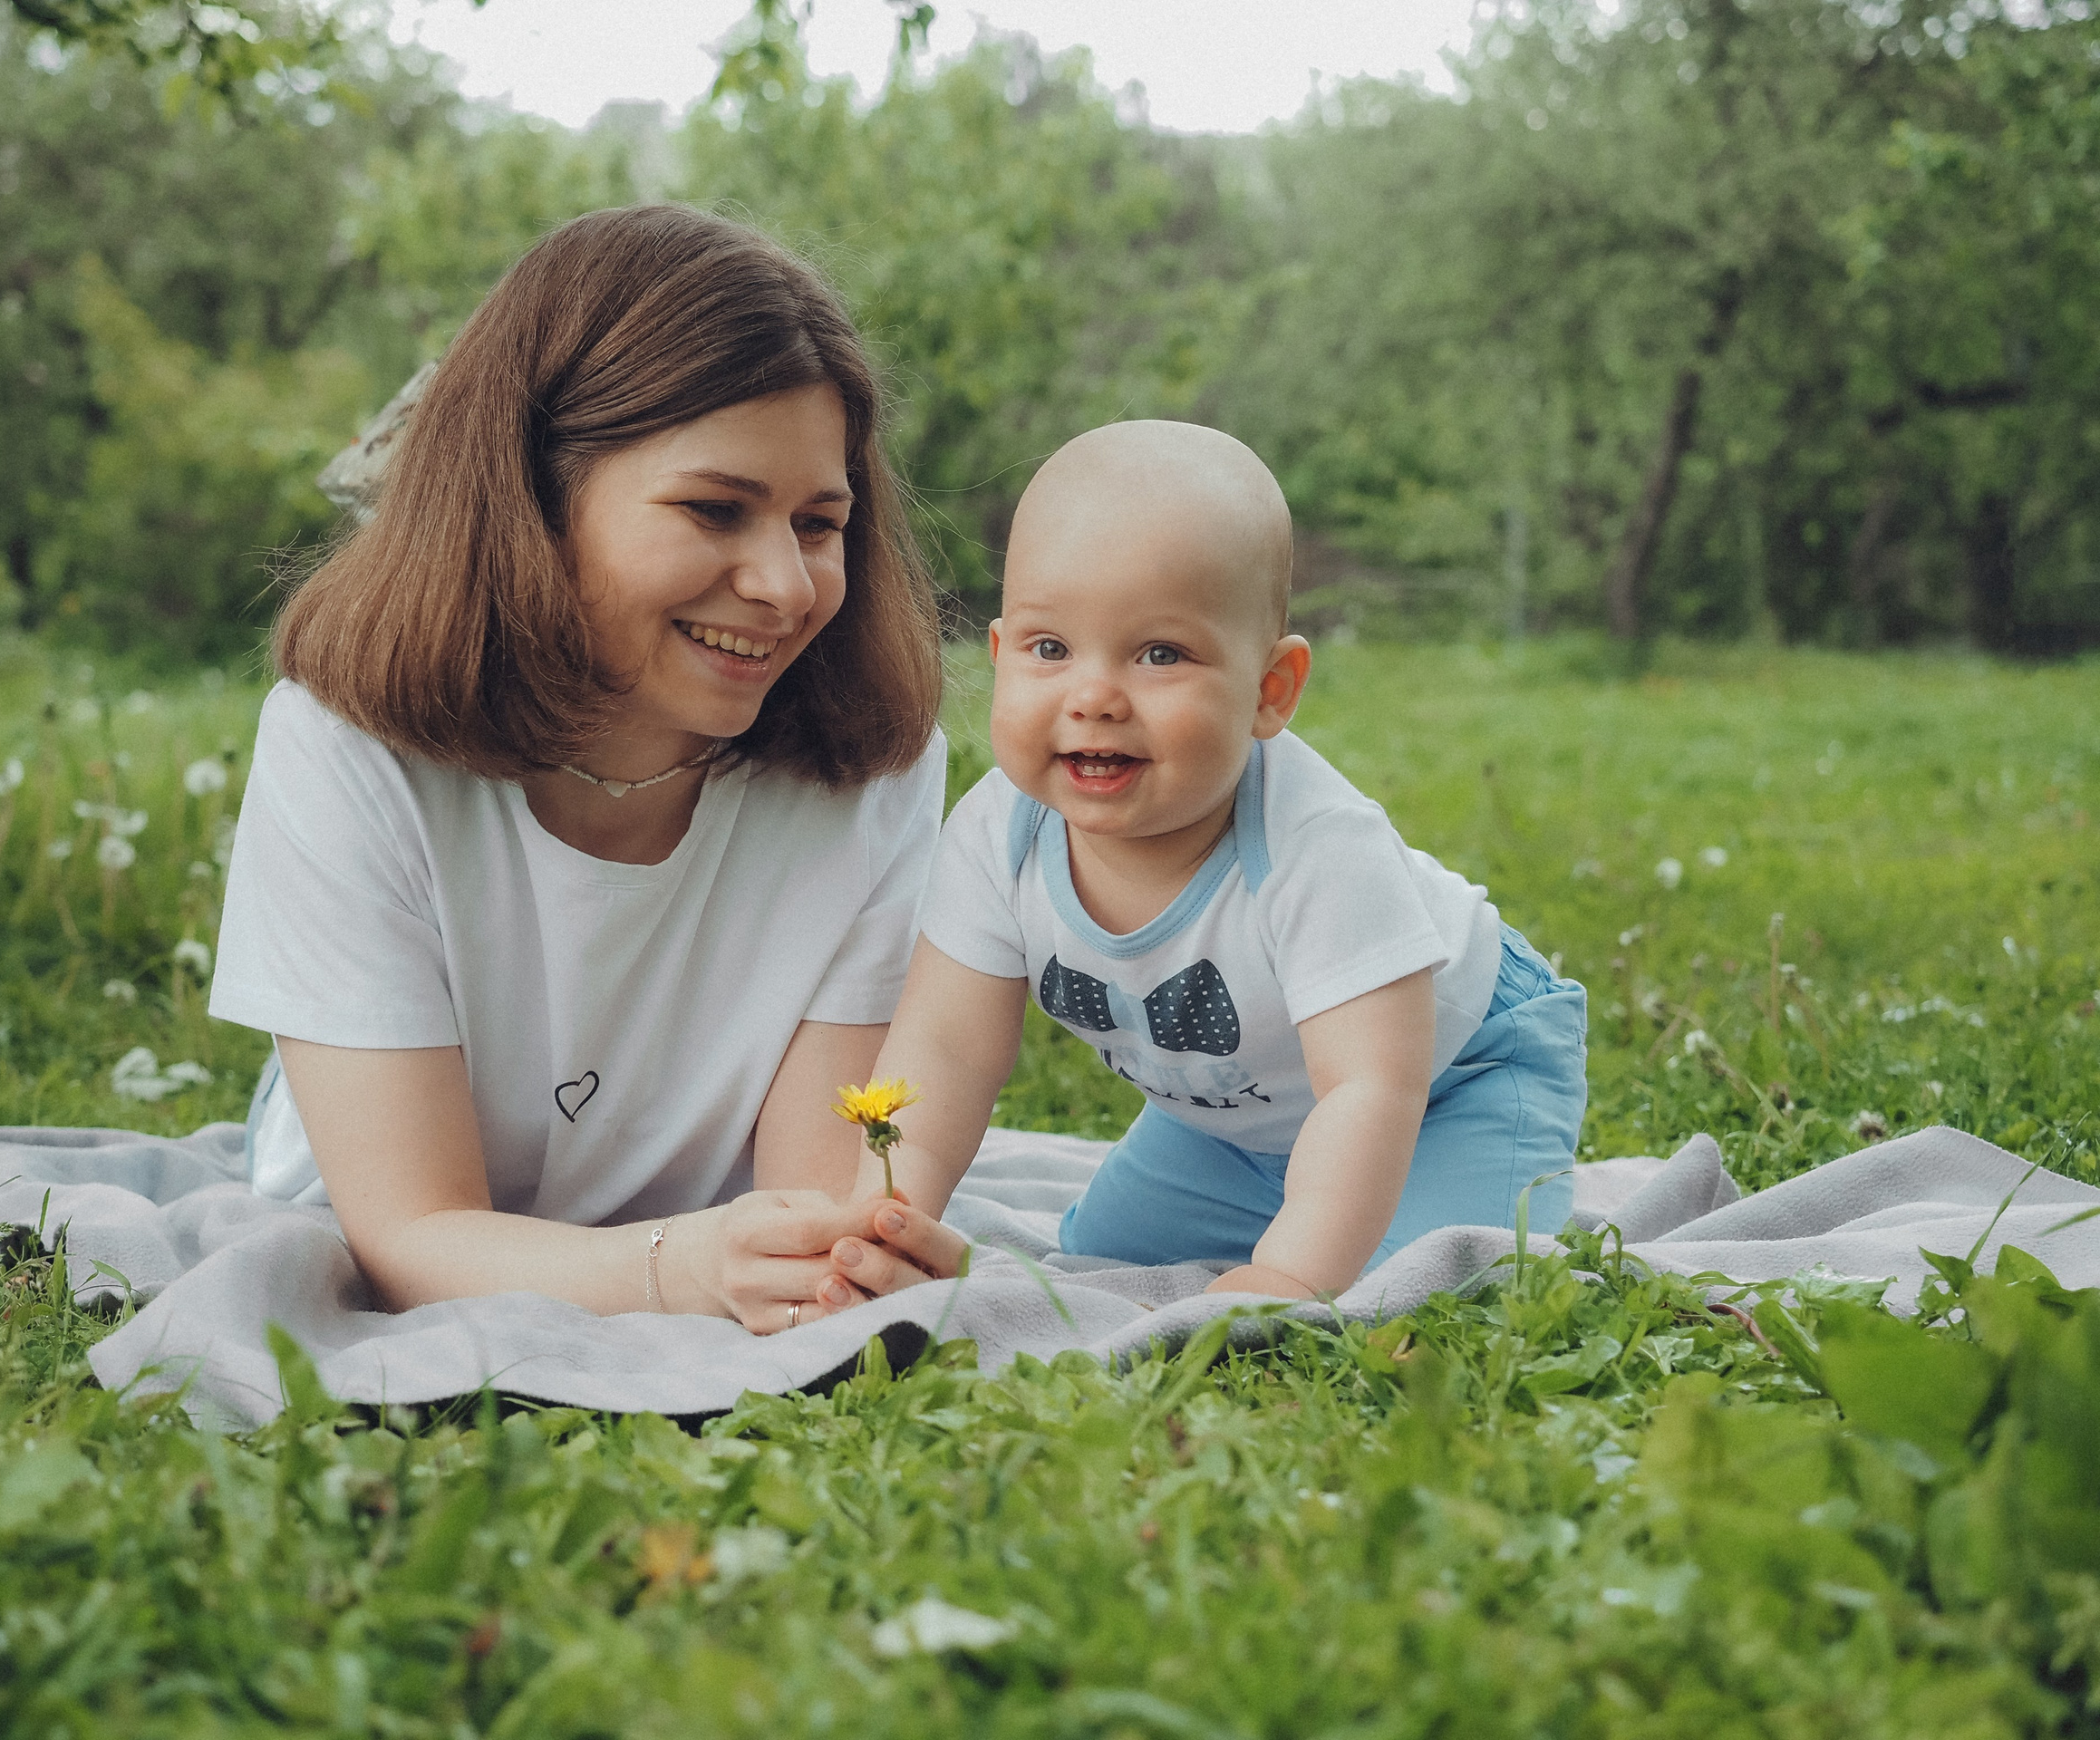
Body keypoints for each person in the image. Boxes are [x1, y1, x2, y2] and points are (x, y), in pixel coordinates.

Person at [209, 205, 964, 1333]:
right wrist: (683, 1270)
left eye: (818, 523)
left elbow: (810, 1206)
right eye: (716, 510)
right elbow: (409, 1232)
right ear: (534, 497)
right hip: (387, 1189)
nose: (786, 586)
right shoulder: (342, 746)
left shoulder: (874, 775)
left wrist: (843, 1257)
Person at [833, 420, 1587, 1301]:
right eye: (1050, 649)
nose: (1093, 697)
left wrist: (1287, 1277)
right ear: (999, 656)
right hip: (1237, 1126)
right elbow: (946, 1050)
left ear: (1271, 692)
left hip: (1453, 1079)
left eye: (1160, 654)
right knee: (1100, 1256)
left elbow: (1369, 1090)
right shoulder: (999, 834)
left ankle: (1342, 1226)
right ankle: (1284, 1206)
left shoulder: (1317, 848)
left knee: (1429, 1283)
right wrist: (882, 1216)